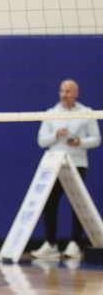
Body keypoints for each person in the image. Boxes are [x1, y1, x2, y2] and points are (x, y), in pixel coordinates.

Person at [31, 79, 101, 260]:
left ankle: (75, 244)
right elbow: (41, 141)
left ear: (76, 93)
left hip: (77, 162)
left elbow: (96, 139)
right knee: (50, 202)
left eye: (69, 91)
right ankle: (51, 244)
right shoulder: (51, 113)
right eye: (62, 91)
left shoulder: (86, 113)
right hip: (55, 165)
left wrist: (80, 142)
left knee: (78, 204)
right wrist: (56, 135)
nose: (65, 94)